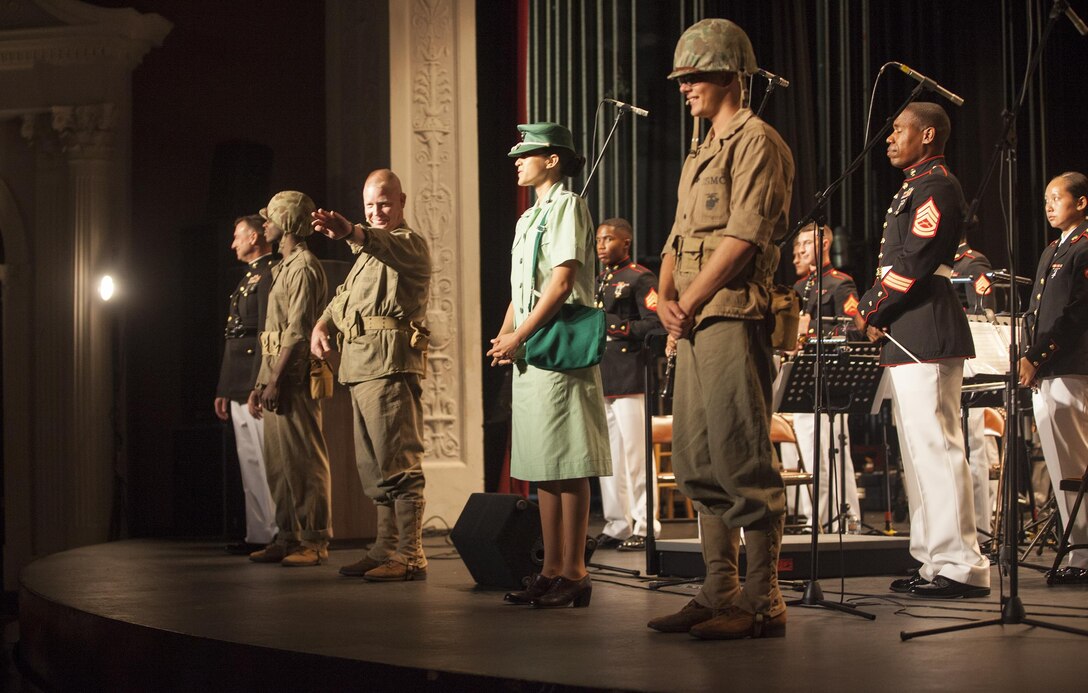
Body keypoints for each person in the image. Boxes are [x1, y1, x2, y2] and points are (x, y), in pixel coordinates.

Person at [647, 18, 794, 640]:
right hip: (694, 323)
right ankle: (717, 590)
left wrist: (687, 303)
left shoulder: (757, 142)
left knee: (742, 458)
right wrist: (663, 302)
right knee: (698, 461)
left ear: (730, 74)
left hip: (732, 317)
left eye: (694, 77)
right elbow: (678, 241)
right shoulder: (700, 149)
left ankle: (762, 603)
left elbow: (739, 242)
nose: (684, 89)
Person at [856, 102, 990, 598]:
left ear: (927, 134)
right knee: (917, 454)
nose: (889, 138)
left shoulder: (936, 185)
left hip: (927, 327)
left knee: (937, 448)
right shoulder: (914, 185)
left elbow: (915, 260)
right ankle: (934, 559)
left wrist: (870, 308)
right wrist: (879, 315)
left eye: (898, 130)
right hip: (907, 330)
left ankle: (962, 565)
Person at [488, 122, 611, 608]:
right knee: (545, 465)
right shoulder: (527, 218)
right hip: (531, 351)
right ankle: (550, 569)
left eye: (527, 153)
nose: (518, 160)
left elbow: (560, 284)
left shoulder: (567, 206)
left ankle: (574, 572)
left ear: (553, 159)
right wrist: (506, 332)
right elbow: (522, 290)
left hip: (558, 347)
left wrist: (519, 335)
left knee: (569, 461)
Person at [310, 169, 432, 582]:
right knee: (374, 467)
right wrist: (322, 324)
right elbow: (344, 297)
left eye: (384, 203)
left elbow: (378, 243)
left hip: (390, 363)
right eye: (369, 206)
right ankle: (384, 547)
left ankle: (410, 553)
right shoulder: (364, 257)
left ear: (401, 202)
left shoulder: (407, 244)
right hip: (360, 366)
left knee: (399, 460)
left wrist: (351, 231)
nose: (377, 212)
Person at [247, 191, 333, 567]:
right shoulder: (282, 267)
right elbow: (274, 333)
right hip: (276, 375)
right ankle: (288, 535)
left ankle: (313, 540)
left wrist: (277, 380)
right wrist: (261, 383)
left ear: (287, 223)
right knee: (278, 462)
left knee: (303, 460)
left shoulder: (302, 267)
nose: (265, 224)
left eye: (271, 218)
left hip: (294, 378)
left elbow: (297, 333)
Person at [1019, 171, 1088, 585]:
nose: (1048, 205)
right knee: (1063, 464)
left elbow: (1075, 314)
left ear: (1081, 202)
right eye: (1045, 198)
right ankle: (1076, 549)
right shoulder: (1053, 249)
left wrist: (1036, 356)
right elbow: (1037, 312)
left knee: (1076, 463)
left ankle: (1083, 555)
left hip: (1071, 365)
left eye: (1056, 197)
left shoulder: (1084, 246)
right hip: (1046, 368)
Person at [594, 217, 662, 552]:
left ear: (626, 241)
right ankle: (617, 523)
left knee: (636, 456)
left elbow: (655, 323)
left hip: (632, 374)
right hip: (603, 375)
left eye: (608, 239)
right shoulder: (599, 281)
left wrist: (614, 326)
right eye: (598, 241)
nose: (602, 246)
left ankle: (647, 524)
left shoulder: (640, 277)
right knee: (609, 458)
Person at [789, 222, 863, 533]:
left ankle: (844, 518)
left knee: (831, 449)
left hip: (829, 377)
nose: (800, 252)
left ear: (823, 244)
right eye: (797, 247)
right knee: (805, 452)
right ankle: (813, 517)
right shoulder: (798, 288)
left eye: (805, 245)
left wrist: (811, 331)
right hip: (801, 375)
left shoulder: (839, 283)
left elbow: (854, 328)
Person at [214, 215, 279, 554]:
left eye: (238, 236)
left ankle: (275, 532)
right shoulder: (248, 278)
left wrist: (259, 381)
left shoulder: (269, 274)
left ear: (255, 237)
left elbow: (265, 333)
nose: (233, 243)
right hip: (238, 379)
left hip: (253, 379)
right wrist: (225, 388)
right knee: (249, 459)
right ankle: (258, 532)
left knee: (265, 458)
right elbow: (233, 335)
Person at [952, 233, 999, 539]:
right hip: (948, 359)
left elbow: (984, 313)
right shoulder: (940, 263)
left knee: (975, 447)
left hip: (971, 363)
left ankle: (982, 529)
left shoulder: (972, 262)